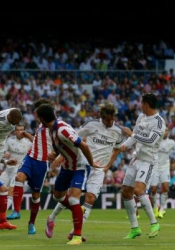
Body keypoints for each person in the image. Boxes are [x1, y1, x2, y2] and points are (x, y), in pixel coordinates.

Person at [46, 101, 123, 240]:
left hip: (99, 169)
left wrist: (107, 166)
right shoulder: (91, 125)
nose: (111, 122)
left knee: (90, 198)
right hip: (84, 163)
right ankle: (52, 218)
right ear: (102, 117)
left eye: (113, 119)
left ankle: (74, 232)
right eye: (108, 119)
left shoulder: (117, 131)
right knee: (73, 197)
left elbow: (117, 149)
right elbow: (73, 139)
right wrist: (59, 156)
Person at [35, 103, 98, 245]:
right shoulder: (52, 129)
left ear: (43, 119)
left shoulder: (62, 130)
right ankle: (73, 214)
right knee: (58, 196)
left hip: (79, 167)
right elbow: (62, 146)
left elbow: (84, 145)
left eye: (39, 118)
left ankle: (76, 236)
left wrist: (92, 163)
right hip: (66, 167)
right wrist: (55, 154)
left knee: (74, 200)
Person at [120, 93, 165, 239]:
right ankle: (135, 228)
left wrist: (131, 135)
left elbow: (151, 141)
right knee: (126, 192)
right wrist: (124, 145)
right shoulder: (141, 117)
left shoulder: (159, 122)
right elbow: (135, 137)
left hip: (148, 160)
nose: (140, 105)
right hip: (136, 159)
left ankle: (154, 223)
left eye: (141, 102)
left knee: (139, 190)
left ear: (146, 104)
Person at [7, 98, 54, 235]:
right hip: (30, 158)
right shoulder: (40, 126)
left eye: (37, 111)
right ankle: (16, 211)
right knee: (19, 177)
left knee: (35, 195)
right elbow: (38, 142)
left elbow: (58, 143)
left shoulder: (53, 127)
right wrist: (28, 135)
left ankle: (31, 223)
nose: (35, 113)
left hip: (42, 162)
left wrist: (56, 154)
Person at [0, 125, 32, 212]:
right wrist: (5, 155)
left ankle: (1, 215)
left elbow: (37, 147)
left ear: (24, 131)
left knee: (11, 191)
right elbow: (2, 153)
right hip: (8, 170)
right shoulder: (10, 141)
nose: (20, 132)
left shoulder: (29, 143)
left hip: (18, 170)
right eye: (17, 130)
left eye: (21, 130)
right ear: (15, 132)